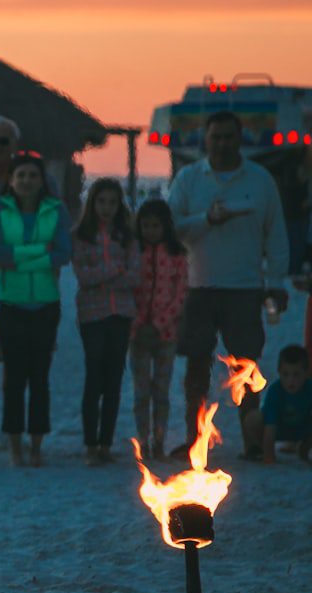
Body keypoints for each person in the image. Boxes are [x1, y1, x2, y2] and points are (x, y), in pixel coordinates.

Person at [167, 110, 290, 456]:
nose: (222, 143)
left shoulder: (260, 180)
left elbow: (276, 236)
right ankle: (194, 440)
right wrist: (207, 219)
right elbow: (171, 227)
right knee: (195, 368)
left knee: (247, 367)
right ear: (204, 140)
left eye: (228, 137)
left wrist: (277, 282)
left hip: (245, 288)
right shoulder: (189, 178)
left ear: (240, 139)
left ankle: (252, 440)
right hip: (198, 286)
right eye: (215, 137)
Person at [0, 151, 71, 467]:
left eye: (32, 175)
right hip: (10, 304)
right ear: (11, 180)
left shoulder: (56, 210)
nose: (26, 181)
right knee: (14, 379)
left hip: (46, 305)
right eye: (20, 175)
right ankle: (14, 445)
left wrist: (19, 256)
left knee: (40, 379)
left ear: (42, 180)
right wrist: (39, 252)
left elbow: (63, 253)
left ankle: (36, 446)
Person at [71, 179, 140, 465]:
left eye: (112, 202)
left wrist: (104, 275)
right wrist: (114, 269)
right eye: (101, 202)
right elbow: (83, 277)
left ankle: (105, 444)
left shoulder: (127, 235)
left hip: (121, 313)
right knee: (93, 377)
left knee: (114, 379)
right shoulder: (81, 235)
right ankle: (90, 443)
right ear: (92, 203)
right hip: (92, 314)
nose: (107, 208)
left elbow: (134, 275)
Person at [130, 199, 188, 459]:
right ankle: (142, 440)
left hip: (166, 334)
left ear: (166, 226)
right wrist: (139, 323)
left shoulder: (177, 255)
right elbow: (129, 291)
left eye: (156, 226)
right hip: (138, 333)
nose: (151, 231)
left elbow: (181, 294)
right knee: (141, 392)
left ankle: (160, 441)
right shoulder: (134, 254)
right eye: (146, 226)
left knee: (161, 392)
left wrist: (160, 322)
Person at [244, 344, 311, 464]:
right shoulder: (275, 391)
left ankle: (304, 447)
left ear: (306, 373)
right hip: (279, 430)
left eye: (296, 375)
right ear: (279, 372)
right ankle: (262, 449)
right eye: (286, 375)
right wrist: (269, 456)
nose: (291, 380)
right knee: (252, 419)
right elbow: (270, 427)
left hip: (304, 430)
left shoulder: (309, 389)